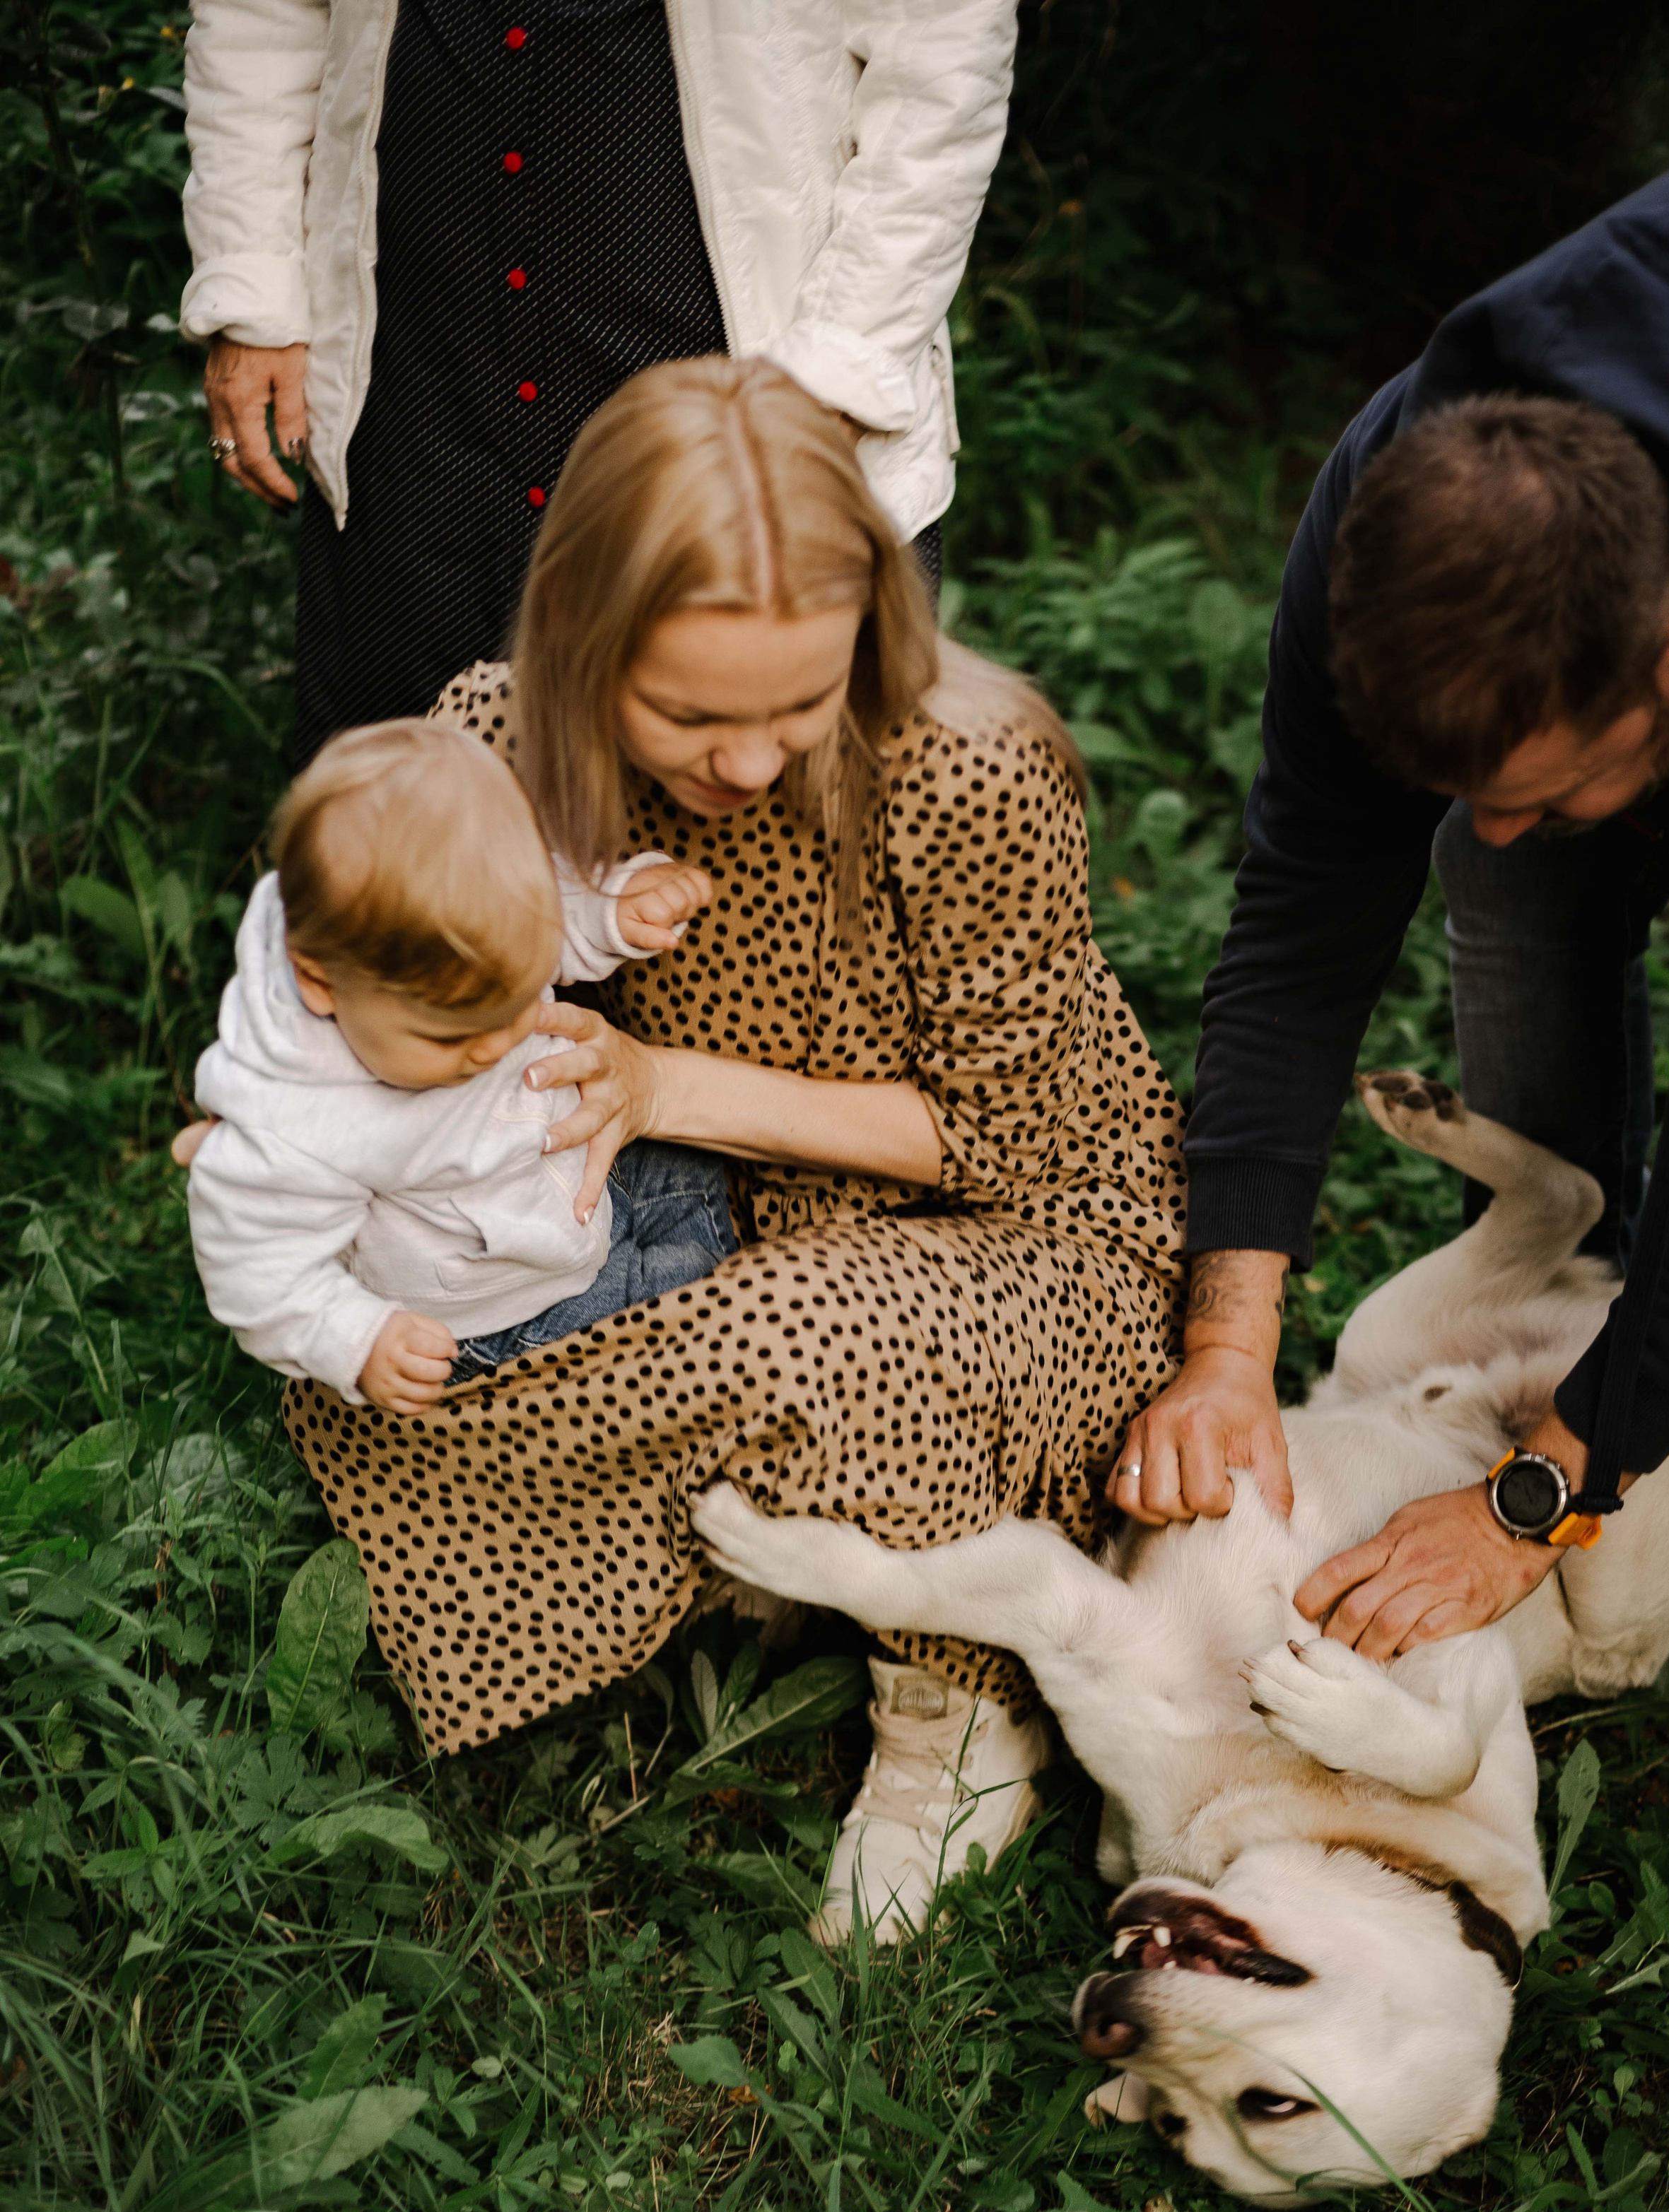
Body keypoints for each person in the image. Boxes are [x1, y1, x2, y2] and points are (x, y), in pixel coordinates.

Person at [257, 356, 1185, 1942]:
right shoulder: (488, 739)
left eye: (795, 708)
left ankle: (953, 1717)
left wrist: (659, 1084)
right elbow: (376, 969)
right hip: (705, 1195)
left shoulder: (963, 767)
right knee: (375, 1311)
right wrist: (289, 1112)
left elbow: (1003, 1139)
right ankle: (775, 1539)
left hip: (1014, 1233)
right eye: (687, 714)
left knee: (822, 1331)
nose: (746, 765)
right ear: (578, 641)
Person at [1114, 117, 1669, 1657]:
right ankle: (1573, 1292)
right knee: (1505, 882)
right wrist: (1228, 1342)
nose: (1492, 834)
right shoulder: (1388, 516)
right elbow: (1299, 933)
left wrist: (1535, 1501)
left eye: (1544, 784)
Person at [177, 0, 1019, 760]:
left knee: (779, 843)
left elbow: (942, 49)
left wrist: (837, 370)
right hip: (418, 392)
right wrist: (251, 277)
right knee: (409, 848)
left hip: (753, 390)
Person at [187, 719, 730, 1412]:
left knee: (705, 1172)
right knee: (690, 1332)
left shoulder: (431, 932)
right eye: (454, 1038)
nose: (500, 1044)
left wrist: (609, 911)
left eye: (518, 1000)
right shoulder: (298, 1117)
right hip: (506, 1306)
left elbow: (541, 914)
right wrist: (360, 1340)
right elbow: (256, 1269)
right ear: (319, 983)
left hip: (556, 1175)